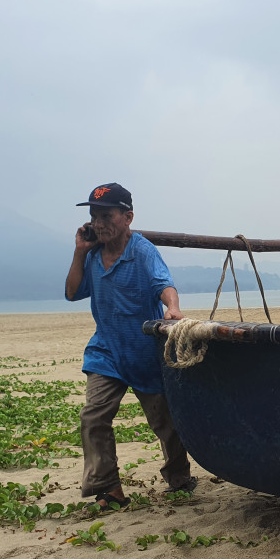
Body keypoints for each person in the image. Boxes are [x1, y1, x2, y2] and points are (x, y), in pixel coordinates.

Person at [65, 182, 196, 510]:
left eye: (106, 215)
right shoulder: (93, 255)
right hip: (106, 351)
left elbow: (163, 283)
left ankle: (179, 479)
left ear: (128, 217)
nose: (99, 223)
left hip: (143, 352)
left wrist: (173, 308)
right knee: (93, 417)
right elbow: (71, 292)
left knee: (165, 424)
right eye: (94, 216)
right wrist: (80, 250)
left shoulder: (142, 250)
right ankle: (109, 488)